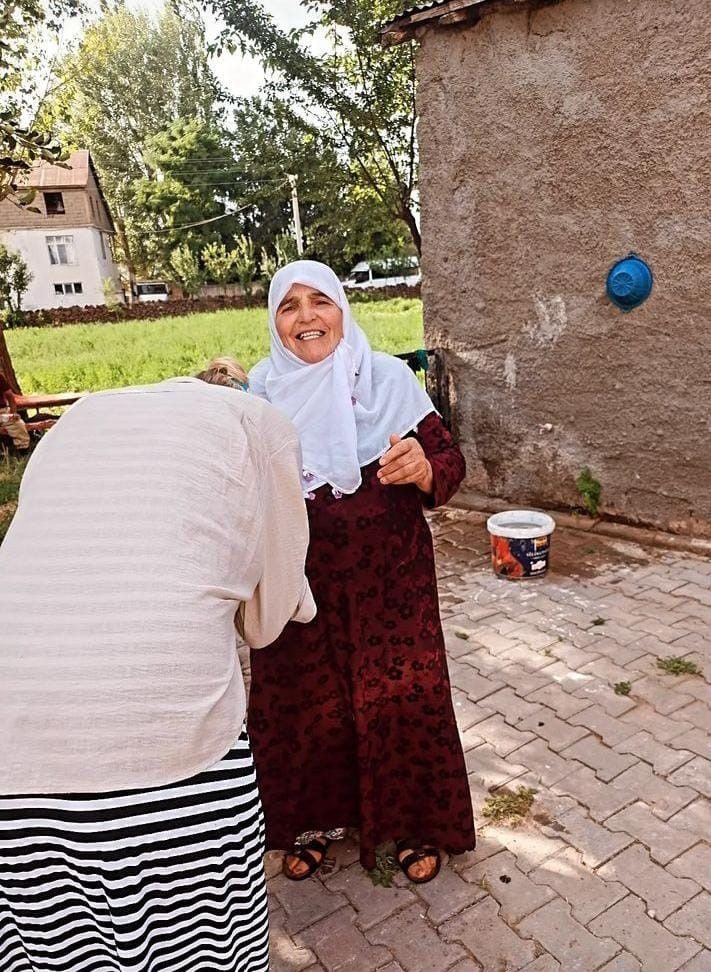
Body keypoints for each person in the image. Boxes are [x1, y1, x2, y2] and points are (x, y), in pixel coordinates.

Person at [0, 374, 315, 971]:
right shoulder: (258, 425)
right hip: (169, 756)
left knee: (54, 943)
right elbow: (266, 622)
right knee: (199, 942)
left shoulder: (78, 420)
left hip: (10, 745)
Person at [248, 260, 475, 884]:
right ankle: (314, 821)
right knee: (309, 704)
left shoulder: (387, 381)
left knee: (400, 698)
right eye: (288, 306)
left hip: (391, 581)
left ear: (342, 309)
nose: (306, 318)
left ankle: (409, 825)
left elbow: (450, 458)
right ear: (275, 322)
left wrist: (425, 469)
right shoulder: (262, 396)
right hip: (301, 587)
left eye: (318, 301)